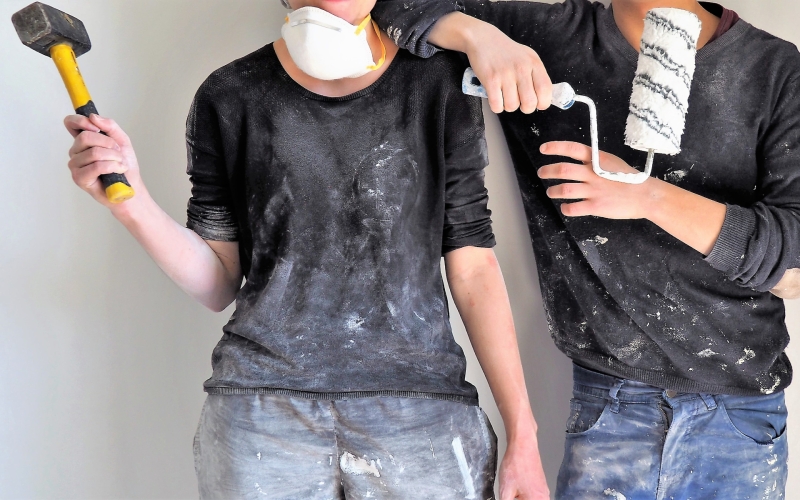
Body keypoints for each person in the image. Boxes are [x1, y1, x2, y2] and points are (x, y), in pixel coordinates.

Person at [63, 0, 551, 498]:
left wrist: (524, 433)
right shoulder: (229, 94)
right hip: (262, 411)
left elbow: (473, 266)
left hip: (421, 411)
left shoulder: (439, 83)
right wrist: (133, 204)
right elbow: (217, 283)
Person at [372, 0, 800, 498]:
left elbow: (792, 262)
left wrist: (647, 196)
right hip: (610, 407)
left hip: (740, 416)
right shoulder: (546, 37)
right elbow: (381, 6)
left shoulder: (773, 68)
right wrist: (477, 37)